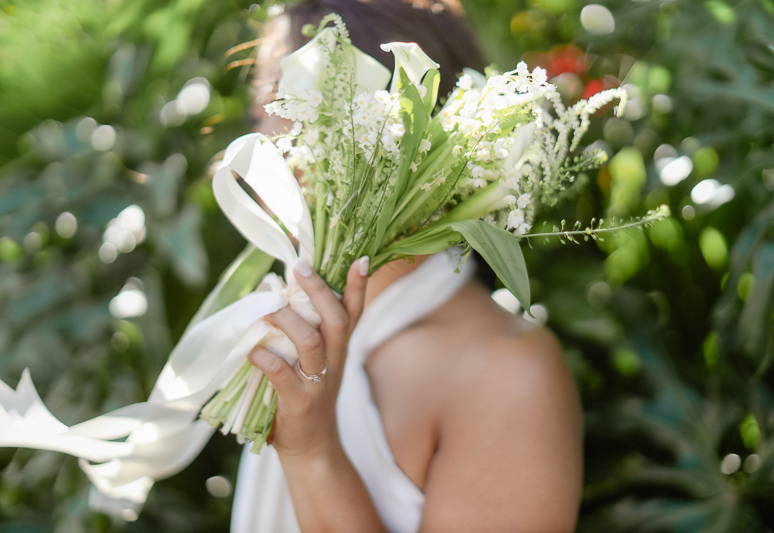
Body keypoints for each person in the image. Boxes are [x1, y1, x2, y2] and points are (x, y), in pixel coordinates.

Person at [234, 1, 583, 531]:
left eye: (286, 104)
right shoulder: (285, 323)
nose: (257, 143)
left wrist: (313, 451)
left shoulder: (509, 376)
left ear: (395, 128)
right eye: (259, 112)